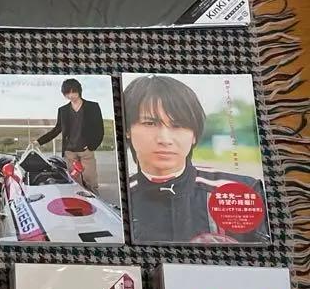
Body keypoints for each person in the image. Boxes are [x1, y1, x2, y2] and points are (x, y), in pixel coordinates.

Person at [123, 74, 268, 243]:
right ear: (127, 130)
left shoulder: (242, 191)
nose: (164, 139)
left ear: (194, 135)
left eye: (178, 125)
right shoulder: (117, 201)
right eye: (150, 123)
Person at [34, 78, 106, 193]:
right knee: (75, 182)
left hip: (86, 151)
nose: (71, 95)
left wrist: (92, 146)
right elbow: (56, 130)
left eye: (73, 92)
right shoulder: (63, 110)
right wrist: (39, 141)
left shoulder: (92, 107)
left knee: (90, 181)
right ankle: (79, 201)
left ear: (79, 91)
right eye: (67, 93)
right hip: (70, 152)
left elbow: (99, 129)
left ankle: (95, 202)